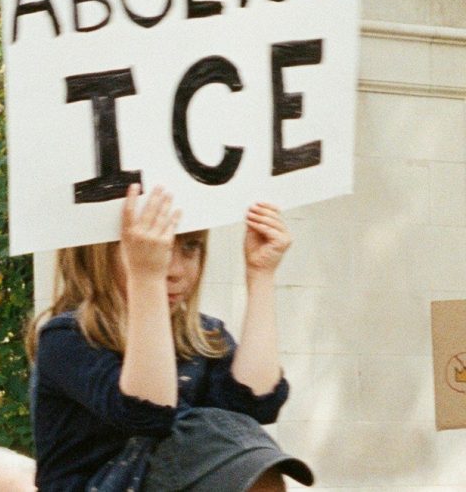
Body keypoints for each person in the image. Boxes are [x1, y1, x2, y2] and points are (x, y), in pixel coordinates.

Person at [26, 184, 315, 492]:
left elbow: (256, 404)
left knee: (245, 454)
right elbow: (146, 412)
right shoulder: (66, 339)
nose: (174, 269)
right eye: (154, 248)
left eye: (190, 247)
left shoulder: (204, 334)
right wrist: (146, 275)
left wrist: (261, 275)